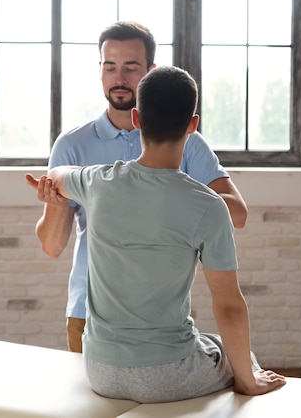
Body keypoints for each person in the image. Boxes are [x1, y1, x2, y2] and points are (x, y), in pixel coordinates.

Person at [25, 66, 286, 403]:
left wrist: (51, 184)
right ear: (193, 126)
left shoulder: (96, 183)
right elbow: (230, 306)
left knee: (211, 344)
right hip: (169, 375)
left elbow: (60, 174)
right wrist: (247, 380)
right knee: (235, 355)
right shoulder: (208, 206)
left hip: (100, 370)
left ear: (136, 118)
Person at [37, 21, 248, 353]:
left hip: (162, 318)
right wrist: (57, 202)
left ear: (151, 71)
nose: (119, 77)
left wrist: (170, 193)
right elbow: (51, 247)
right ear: (101, 71)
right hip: (89, 313)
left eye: (130, 67)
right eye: (110, 67)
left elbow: (236, 212)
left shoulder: (184, 139)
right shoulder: (71, 145)